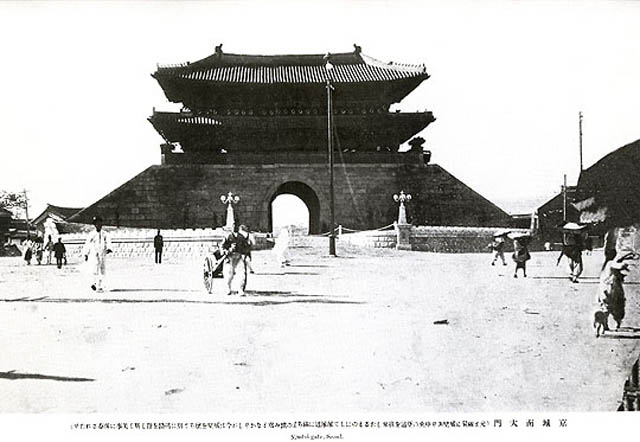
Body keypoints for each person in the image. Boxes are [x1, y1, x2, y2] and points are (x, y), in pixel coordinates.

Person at [82, 216, 112, 292]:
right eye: (97, 224)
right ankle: (94, 283)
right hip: (94, 253)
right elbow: (87, 244)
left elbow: (108, 242)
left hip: (102, 253)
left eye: (100, 223)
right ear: (95, 225)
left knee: (102, 269)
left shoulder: (105, 234)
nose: (99, 225)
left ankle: (100, 285)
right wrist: (86, 253)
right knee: (95, 268)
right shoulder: (91, 234)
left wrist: (109, 249)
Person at [221, 224, 252, 296]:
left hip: (238, 257)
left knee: (241, 274)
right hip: (229, 258)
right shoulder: (228, 236)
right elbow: (222, 246)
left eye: (236, 227)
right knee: (229, 274)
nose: (234, 228)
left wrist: (246, 254)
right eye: (233, 226)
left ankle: (240, 289)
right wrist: (226, 251)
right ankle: (228, 288)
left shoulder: (241, 237)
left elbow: (246, 247)